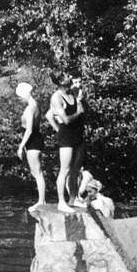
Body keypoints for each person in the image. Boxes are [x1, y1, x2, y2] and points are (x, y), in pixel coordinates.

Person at [46, 71, 86, 214]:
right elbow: (66, 119)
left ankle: (73, 198)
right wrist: (79, 112)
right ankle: (61, 202)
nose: (70, 76)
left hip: (77, 135)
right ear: (61, 81)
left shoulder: (72, 94)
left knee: (75, 169)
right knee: (65, 170)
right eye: (66, 76)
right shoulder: (56, 97)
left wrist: (80, 100)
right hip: (67, 136)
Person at [15, 81, 47, 212]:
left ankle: (41, 201)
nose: (19, 99)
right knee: (37, 172)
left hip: (33, 142)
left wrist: (20, 146)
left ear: (24, 95)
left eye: (20, 96)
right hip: (36, 140)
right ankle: (42, 200)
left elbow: (28, 130)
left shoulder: (30, 108)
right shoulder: (36, 105)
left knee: (37, 173)